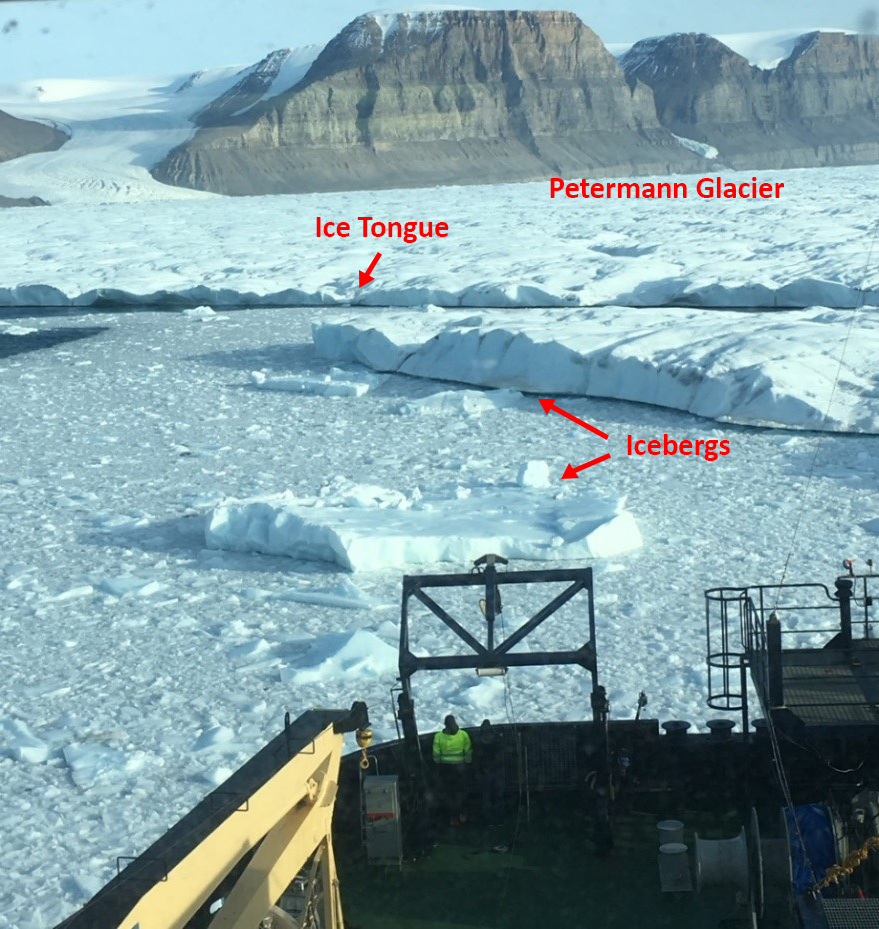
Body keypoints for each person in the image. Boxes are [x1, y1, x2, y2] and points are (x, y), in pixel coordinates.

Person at [432, 715, 472, 825]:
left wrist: (438, 762)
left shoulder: (438, 737)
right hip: (460, 768)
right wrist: (467, 762)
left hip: (446, 769)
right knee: (461, 792)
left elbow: (436, 754)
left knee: (449, 794)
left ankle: (452, 818)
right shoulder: (463, 735)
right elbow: (468, 750)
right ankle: (462, 815)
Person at [475, 719, 505, 825]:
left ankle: (488, 819)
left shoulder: (478, 741)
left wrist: (483, 768)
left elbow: (477, 757)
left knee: (486, 796)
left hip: (484, 773)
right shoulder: (497, 739)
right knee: (498, 796)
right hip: (497, 771)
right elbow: (500, 755)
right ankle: (499, 818)